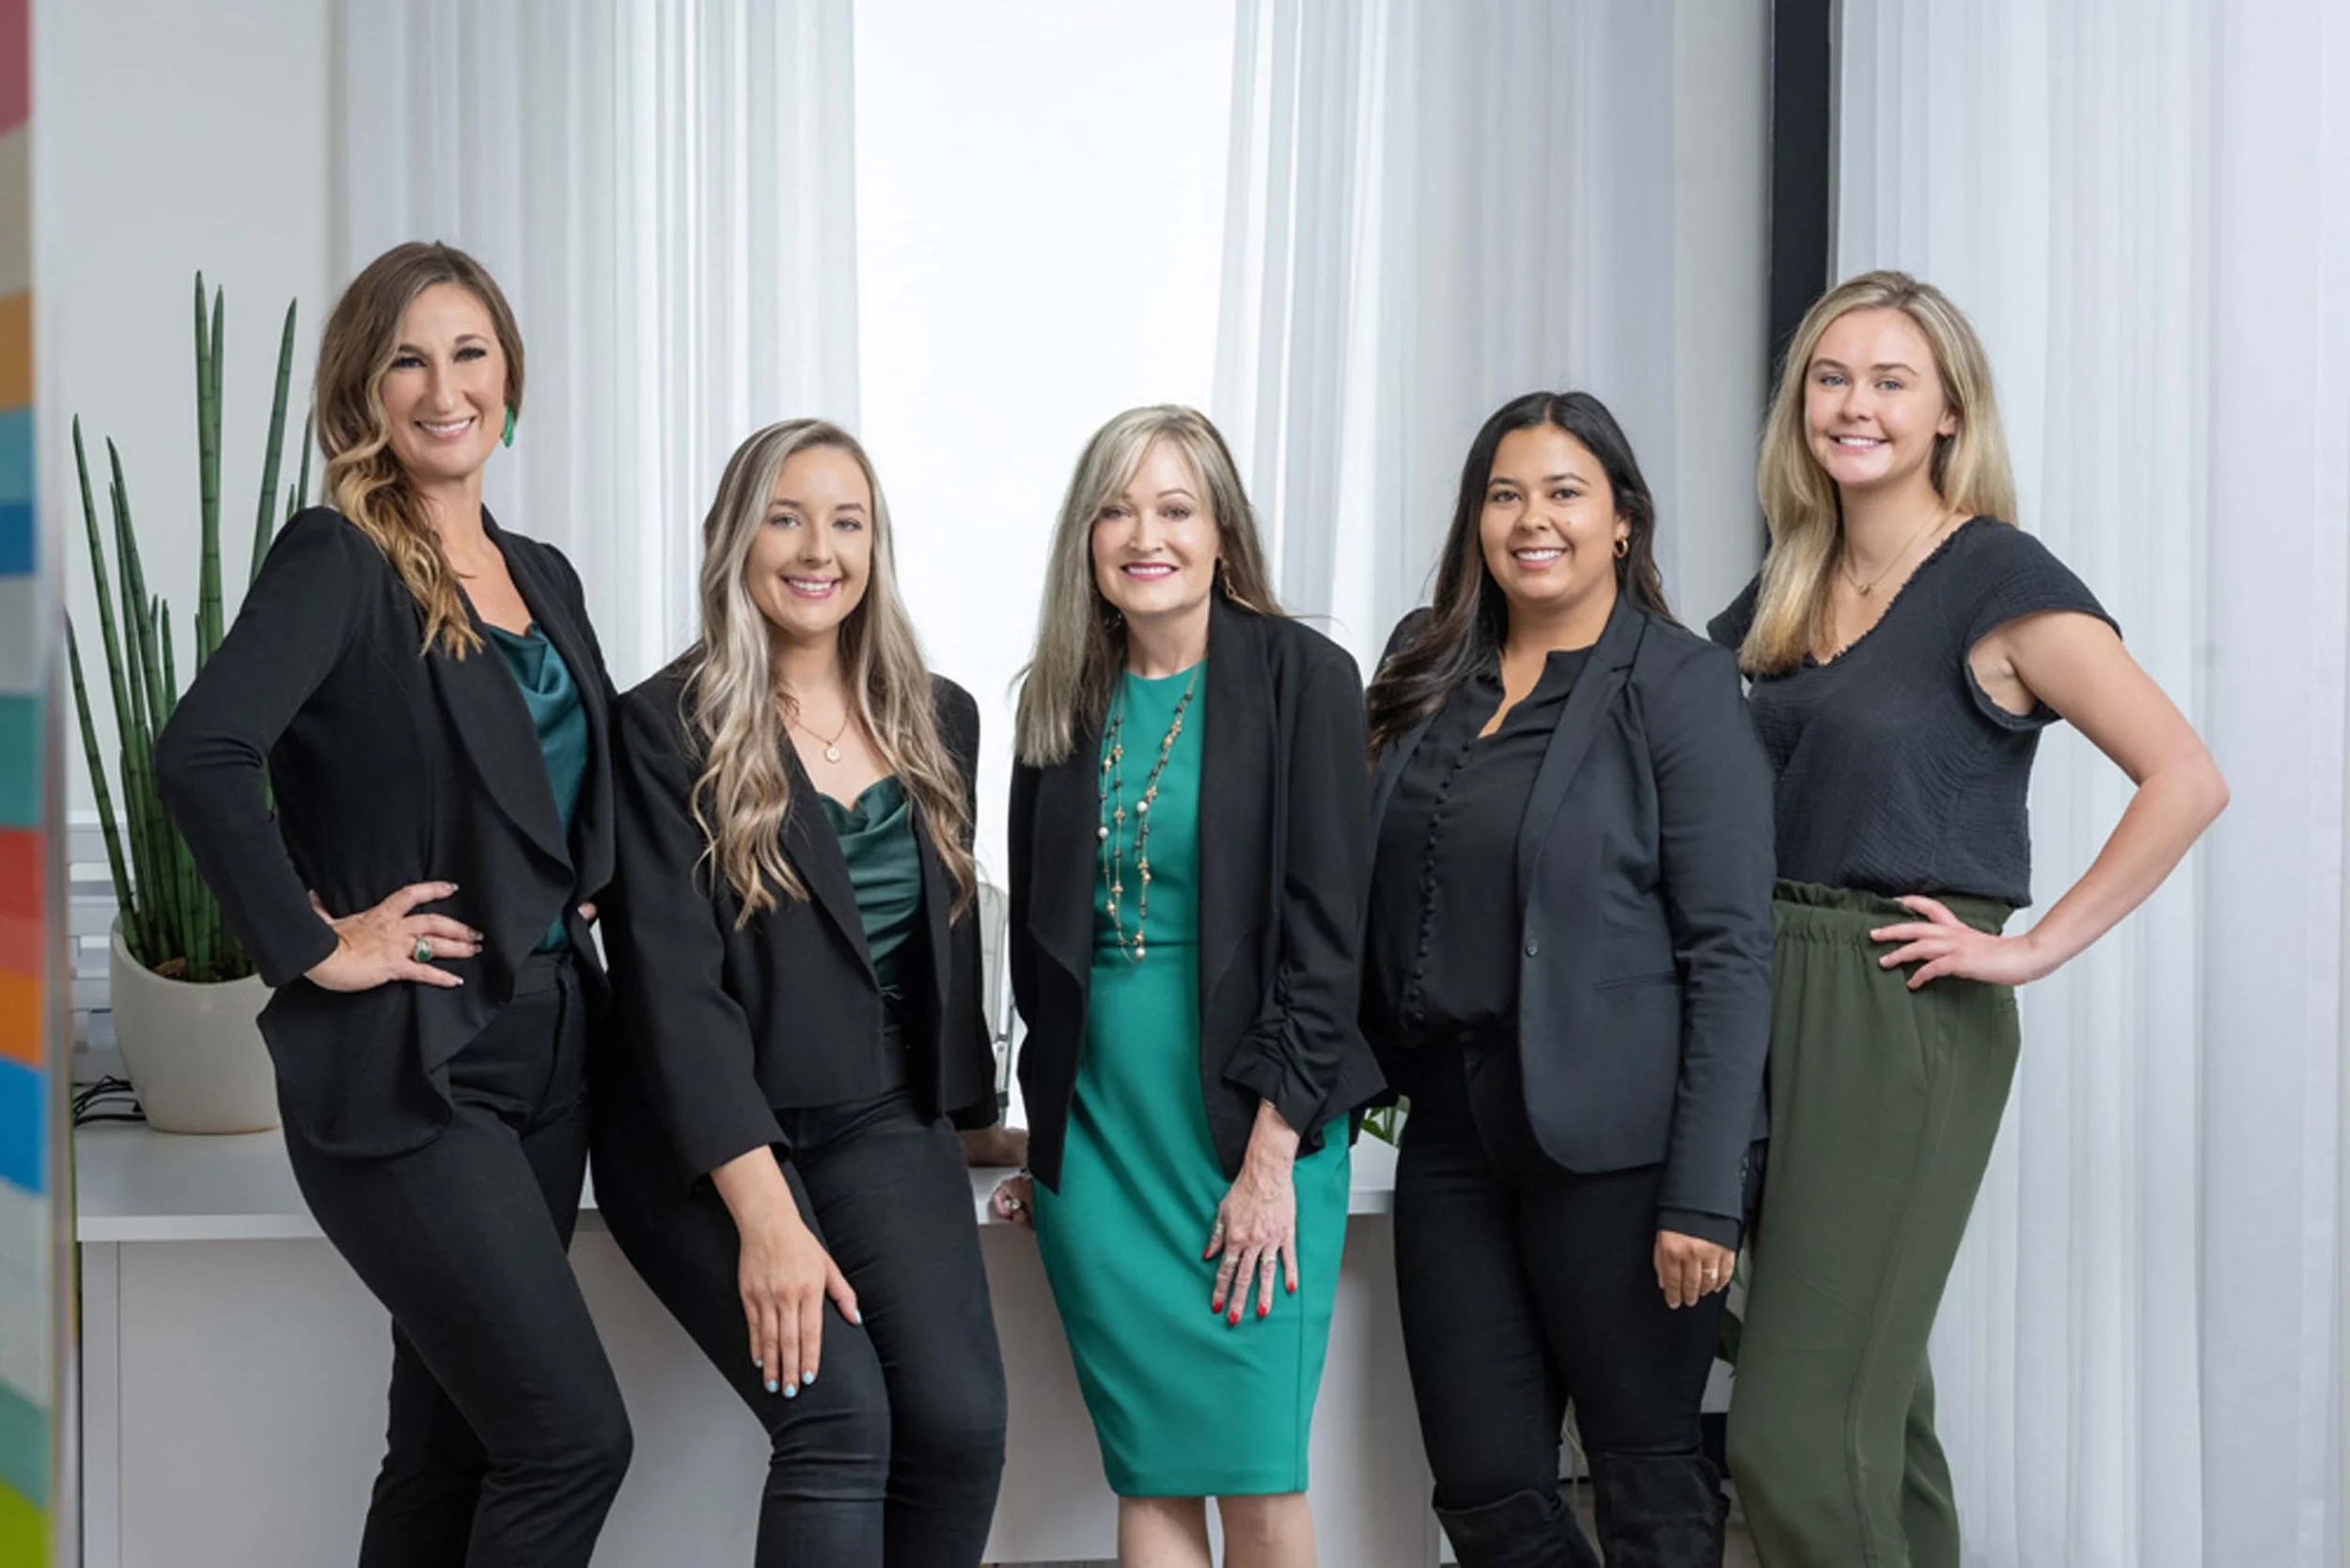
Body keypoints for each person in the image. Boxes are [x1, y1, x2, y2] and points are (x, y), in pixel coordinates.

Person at [1712, 270, 2231, 1567]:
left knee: (1793, 1441)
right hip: (1764, 982)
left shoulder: (1998, 576)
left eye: (1891, 381)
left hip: (1897, 1005)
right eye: (1831, 378)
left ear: (1949, 412)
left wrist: (2032, 946)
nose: (1854, 405)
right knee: (1875, 1418)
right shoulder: (1791, 575)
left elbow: (2187, 777)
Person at [156, 241, 630, 1564]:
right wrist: (315, 943)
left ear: (509, 379)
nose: (444, 387)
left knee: (454, 1444)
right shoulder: (340, 558)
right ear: (364, 391)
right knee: (572, 1439)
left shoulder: (546, 573)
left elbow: (566, 801)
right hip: (411, 1068)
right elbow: (200, 750)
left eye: (469, 352)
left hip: (547, 1047)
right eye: (407, 359)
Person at [1363, 390, 1774, 1568]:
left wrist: (1704, 1193)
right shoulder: (1423, 661)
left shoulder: (1679, 683)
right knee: (1486, 1492)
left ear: (1622, 521)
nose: (1530, 520)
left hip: (1628, 1150)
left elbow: (1729, 950)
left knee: (1647, 1487)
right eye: (1504, 494)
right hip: (1450, 1132)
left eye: (1562, 493)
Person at [590, 419, 1009, 1565]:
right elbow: (673, 994)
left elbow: (933, 954)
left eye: (846, 520)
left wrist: (979, 1125)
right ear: (737, 537)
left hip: (879, 1117)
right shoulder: (660, 728)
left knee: (963, 1430)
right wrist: (768, 1220)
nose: (817, 549)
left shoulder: (940, 716)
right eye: (786, 515)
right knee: (838, 1422)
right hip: (706, 1141)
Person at [991, 404, 1384, 1567]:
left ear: (1221, 532)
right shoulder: (1056, 695)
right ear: (1085, 538)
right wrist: (1040, 1137)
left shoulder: (1303, 676)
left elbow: (1327, 940)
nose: (1142, 534)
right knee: (1151, 1477)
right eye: (1115, 508)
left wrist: (1271, 1161)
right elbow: (1041, 953)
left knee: (1260, 1476)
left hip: (1248, 1129)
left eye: (1173, 507)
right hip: (1101, 1146)